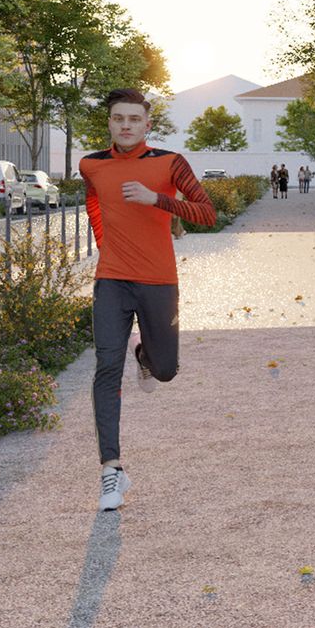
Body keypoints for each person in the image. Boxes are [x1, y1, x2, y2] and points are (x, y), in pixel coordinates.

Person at [80, 87, 216, 515]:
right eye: (119, 118)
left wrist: (157, 199)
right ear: (109, 122)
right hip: (112, 280)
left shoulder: (170, 163)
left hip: (158, 280)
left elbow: (207, 212)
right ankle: (111, 469)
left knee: (166, 370)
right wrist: (106, 245)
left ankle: (144, 356)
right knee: (105, 368)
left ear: (147, 125)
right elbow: (94, 202)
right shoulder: (91, 165)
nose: (126, 125)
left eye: (134, 119)